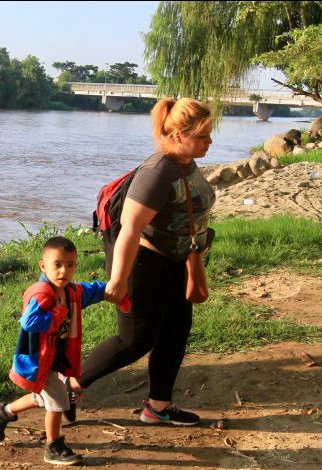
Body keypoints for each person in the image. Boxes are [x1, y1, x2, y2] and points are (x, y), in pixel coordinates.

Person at [66, 97, 216, 426]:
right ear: (177, 134)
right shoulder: (157, 172)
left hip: (175, 264)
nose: (209, 141)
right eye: (203, 135)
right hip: (144, 266)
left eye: (209, 133)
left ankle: (158, 407)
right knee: (134, 341)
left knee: (176, 332)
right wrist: (118, 281)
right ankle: (69, 388)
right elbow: (130, 229)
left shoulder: (186, 161)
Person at [0, 236, 107, 466]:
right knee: (59, 401)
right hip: (40, 359)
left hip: (55, 356)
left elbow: (87, 292)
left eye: (70, 265)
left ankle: (2, 412)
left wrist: (108, 290)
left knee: (44, 396)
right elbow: (29, 322)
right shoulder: (42, 293)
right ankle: (53, 446)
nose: (63, 271)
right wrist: (57, 315)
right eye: (57, 264)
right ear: (43, 265)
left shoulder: (69, 290)